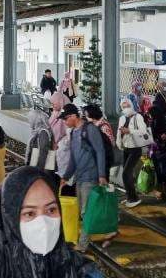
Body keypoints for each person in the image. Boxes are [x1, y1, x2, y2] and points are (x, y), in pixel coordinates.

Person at [0, 166, 104, 278]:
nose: (44, 224)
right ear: (9, 220)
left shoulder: (86, 272)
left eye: (51, 210)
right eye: (30, 213)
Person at [59, 103, 107, 252]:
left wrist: (101, 175)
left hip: (91, 176)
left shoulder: (90, 130)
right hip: (79, 176)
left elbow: (100, 151)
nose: (65, 122)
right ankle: (104, 231)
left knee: (86, 211)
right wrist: (66, 176)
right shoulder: (73, 133)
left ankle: (83, 244)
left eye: (66, 119)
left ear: (74, 116)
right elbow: (73, 157)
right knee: (81, 211)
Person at [115, 98, 148, 208]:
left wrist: (130, 131)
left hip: (135, 149)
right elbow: (119, 132)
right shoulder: (122, 118)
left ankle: (134, 198)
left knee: (125, 173)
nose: (125, 108)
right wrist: (119, 142)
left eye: (127, 106)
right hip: (126, 148)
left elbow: (143, 131)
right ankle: (130, 196)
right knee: (128, 174)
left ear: (131, 105)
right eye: (123, 107)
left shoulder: (138, 117)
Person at [148, 105, 166, 200]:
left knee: (160, 170)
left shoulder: (157, 121)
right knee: (160, 170)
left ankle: (162, 191)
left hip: (160, 150)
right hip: (159, 149)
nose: (149, 115)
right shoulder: (157, 121)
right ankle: (163, 190)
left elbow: (163, 134)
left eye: (150, 113)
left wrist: (162, 137)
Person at [49, 92, 71, 178]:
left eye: (54, 103)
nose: (52, 105)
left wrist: (57, 143)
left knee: (56, 173)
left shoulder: (65, 118)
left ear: (60, 102)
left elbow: (67, 135)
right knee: (49, 170)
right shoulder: (55, 113)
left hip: (60, 150)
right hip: (51, 147)